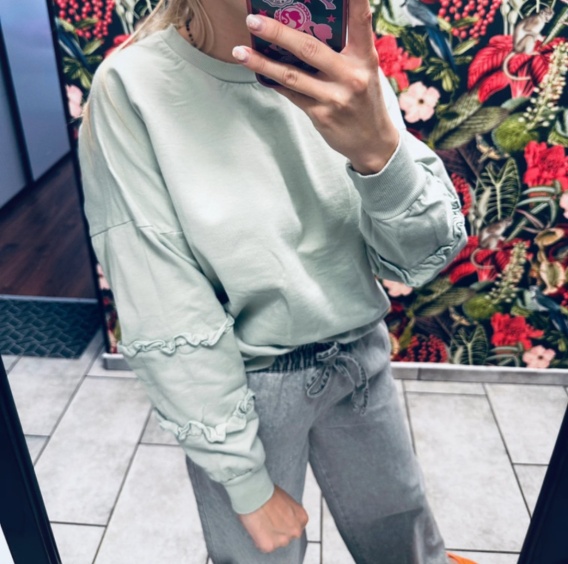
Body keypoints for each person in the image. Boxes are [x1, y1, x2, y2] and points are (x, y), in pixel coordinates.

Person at [77, 0, 475, 562]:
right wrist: (242, 478)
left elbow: (418, 257)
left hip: (361, 358)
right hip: (244, 387)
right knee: (256, 556)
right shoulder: (133, 87)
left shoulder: (341, 59)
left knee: (405, 537)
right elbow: (163, 299)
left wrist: (379, 154)